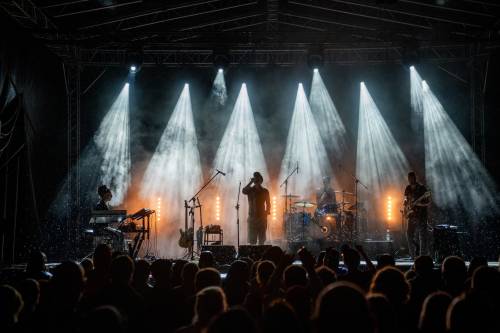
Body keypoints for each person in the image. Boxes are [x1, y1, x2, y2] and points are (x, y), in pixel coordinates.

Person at [403, 171, 431, 258]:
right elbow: (405, 199)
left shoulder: (422, 188)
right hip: (411, 215)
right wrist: (406, 206)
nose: (410, 180)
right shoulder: (407, 188)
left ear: (415, 178)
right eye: (409, 178)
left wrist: (418, 203)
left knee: (422, 236)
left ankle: (422, 256)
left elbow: (428, 202)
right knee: (409, 234)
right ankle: (413, 255)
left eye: (412, 178)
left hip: (421, 215)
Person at [242, 172, 271, 245]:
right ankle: (253, 255)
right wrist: (250, 182)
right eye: (255, 179)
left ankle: (261, 255)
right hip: (252, 218)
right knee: (252, 241)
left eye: (258, 179)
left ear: (261, 180)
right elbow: (243, 191)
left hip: (261, 218)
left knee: (262, 240)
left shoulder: (265, 191)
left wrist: (266, 213)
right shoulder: (250, 190)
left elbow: (268, 203)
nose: (257, 181)